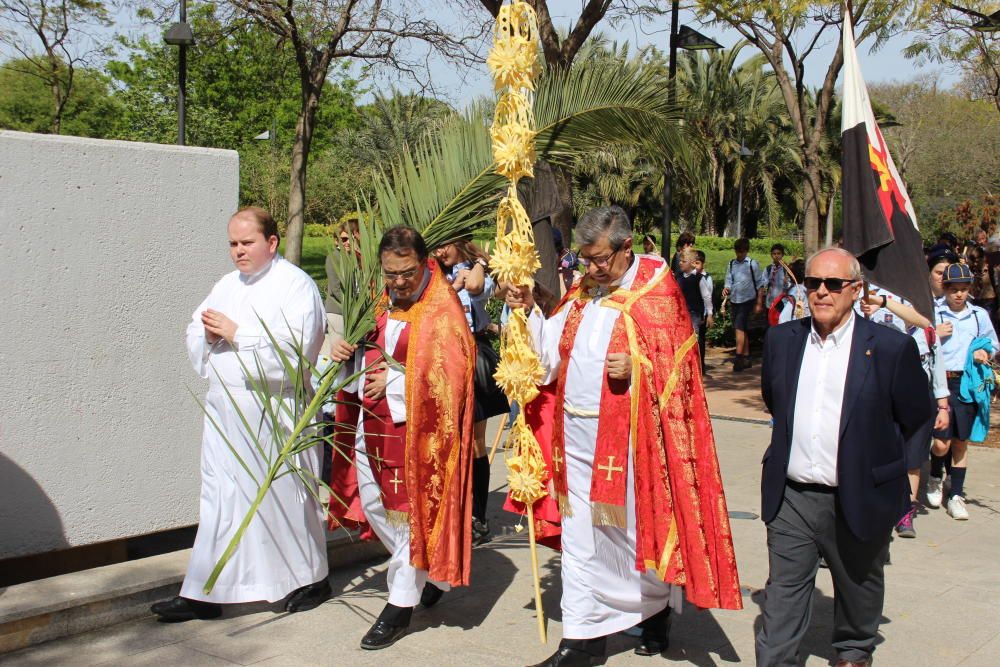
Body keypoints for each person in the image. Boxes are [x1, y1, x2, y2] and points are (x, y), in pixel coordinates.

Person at [507, 206, 741, 667]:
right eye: (585, 259)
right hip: (572, 435)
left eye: (599, 259)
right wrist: (528, 313)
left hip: (632, 440)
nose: (591, 268)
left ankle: (653, 609)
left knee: (630, 536)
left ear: (626, 246)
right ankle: (581, 640)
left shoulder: (657, 288)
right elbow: (549, 357)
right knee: (580, 538)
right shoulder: (582, 289)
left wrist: (638, 368)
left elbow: (682, 371)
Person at [153, 207, 331, 622]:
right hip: (226, 409)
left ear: (271, 242)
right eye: (232, 244)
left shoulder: (296, 286)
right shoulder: (226, 284)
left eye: (246, 243)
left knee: (282, 496)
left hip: (274, 410)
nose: (238, 252)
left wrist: (238, 334)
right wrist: (210, 334)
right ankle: (205, 589)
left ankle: (311, 578)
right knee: (220, 496)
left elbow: (297, 352)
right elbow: (194, 329)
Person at [757, 247, 933, 667]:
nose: (820, 292)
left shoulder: (889, 348)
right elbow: (774, 401)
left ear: (855, 290)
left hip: (859, 493)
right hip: (792, 497)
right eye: (812, 282)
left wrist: (905, 475)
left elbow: (917, 416)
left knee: (859, 585)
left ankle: (854, 651)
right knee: (782, 597)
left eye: (833, 284)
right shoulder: (783, 341)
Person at [328, 226, 475, 650]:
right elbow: (364, 343)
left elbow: (452, 375)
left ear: (424, 262)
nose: (398, 282)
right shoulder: (378, 298)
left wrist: (394, 381)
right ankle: (429, 570)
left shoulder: (441, 308)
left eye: (406, 273)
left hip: (417, 434)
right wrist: (346, 353)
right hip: (370, 423)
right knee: (377, 506)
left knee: (411, 516)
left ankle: (399, 604)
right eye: (390, 273)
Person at [434, 236, 508, 545]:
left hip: (472, 355)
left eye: (445, 245)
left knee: (475, 442)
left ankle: (478, 516)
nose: (440, 252)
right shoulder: (433, 272)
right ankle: (452, 509)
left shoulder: (471, 268)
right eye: (435, 247)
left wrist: (477, 261)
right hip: (440, 356)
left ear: (459, 242)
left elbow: (477, 287)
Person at [856, 284, 944, 539]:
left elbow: (924, 321)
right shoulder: (860, 288)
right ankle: (870, 510)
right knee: (874, 452)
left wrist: (883, 302)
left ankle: (905, 510)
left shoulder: (908, 284)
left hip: (913, 385)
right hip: (875, 383)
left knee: (913, 453)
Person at [927, 263, 999, 521]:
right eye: (953, 289)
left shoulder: (979, 315)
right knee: (940, 443)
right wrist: (934, 334)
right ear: (944, 288)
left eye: (964, 289)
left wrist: (986, 351)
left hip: (967, 383)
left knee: (960, 443)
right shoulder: (934, 313)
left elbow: (993, 342)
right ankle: (935, 475)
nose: (958, 294)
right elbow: (915, 340)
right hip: (940, 384)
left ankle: (956, 494)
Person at [722, 237, 765, 371]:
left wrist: (759, 302)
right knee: (742, 328)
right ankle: (747, 357)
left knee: (739, 328)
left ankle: (739, 357)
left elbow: (760, 284)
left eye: (742, 251)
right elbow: (729, 280)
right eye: (737, 251)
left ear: (746, 251)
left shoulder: (752, 264)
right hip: (735, 299)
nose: (739, 254)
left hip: (748, 300)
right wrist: (726, 288)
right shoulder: (731, 264)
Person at [675, 247, 713, 373]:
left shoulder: (699, 278)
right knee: (681, 339)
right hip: (680, 313)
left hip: (694, 313)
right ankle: (683, 365)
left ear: (692, 263)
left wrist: (710, 314)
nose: (680, 263)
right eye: (680, 260)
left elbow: (706, 297)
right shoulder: (678, 277)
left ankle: (695, 366)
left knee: (693, 339)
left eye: (683, 261)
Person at [693, 250, 714, 371]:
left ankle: (701, 365)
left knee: (700, 339)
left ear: (703, 264)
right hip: (692, 313)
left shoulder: (707, 278)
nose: (696, 266)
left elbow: (708, 297)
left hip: (702, 313)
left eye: (698, 263)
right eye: (694, 263)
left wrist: (707, 314)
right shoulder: (690, 277)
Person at [763, 243, 792, 319]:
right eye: (774, 254)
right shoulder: (768, 269)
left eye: (779, 253)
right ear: (771, 255)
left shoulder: (787, 269)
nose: (776, 256)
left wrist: (787, 282)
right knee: (770, 323)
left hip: (783, 303)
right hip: (770, 302)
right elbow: (763, 283)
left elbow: (792, 286)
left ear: (782, 255)